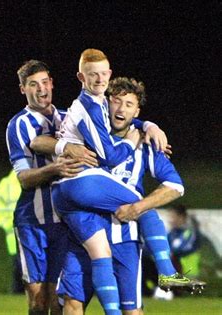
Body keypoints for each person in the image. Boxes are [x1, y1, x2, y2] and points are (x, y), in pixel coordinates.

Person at [49, 49, 204, 313]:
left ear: (137, 110)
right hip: (83, 229)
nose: (121, 108)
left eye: (129, 104)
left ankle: (165, 273)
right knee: (70, 306)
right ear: (107, 101)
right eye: (117, 102)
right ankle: (167, 272)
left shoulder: (147, 143)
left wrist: (148, 127)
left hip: (124, 238)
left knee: (131, 311)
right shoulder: (94, 120)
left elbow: (175, 186)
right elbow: (53, 133)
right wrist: (62, 147)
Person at [5, 60, 94, 314]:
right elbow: (24, 178)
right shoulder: (18, 125)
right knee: (38, 300)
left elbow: (109, 127)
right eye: (33, 84)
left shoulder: (69, 118)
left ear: (52, 84)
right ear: (23, 89)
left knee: (59, 299)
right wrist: (53, 169)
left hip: (66, 223)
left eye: (45, 82)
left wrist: (147, 125)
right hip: (32, 222)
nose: (41, 89)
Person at [0, 170, 24, 294]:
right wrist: (7, 223)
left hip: (28, 231)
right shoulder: (7, 183)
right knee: (20, 268)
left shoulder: (9, 182)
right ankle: (18, 294)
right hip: (14, 235)